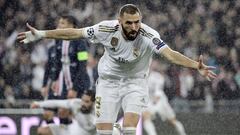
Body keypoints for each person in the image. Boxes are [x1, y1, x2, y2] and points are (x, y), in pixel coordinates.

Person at [18, 4, 217, 135]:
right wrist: (42, 34)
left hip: (135, 83)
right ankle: (113, 129)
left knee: (130, 130)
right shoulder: (105, 29)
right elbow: (74, 33)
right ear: (119, 21)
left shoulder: (148, 35)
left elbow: (169, 54)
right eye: (129, 22)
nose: (134, 26)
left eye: (137, 22)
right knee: (103, 133)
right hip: (108, 83)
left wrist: (194, 65)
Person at [142, 60, 187, 135]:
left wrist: (153, 106)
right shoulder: (139, 77)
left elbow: (158, 94)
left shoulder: (158, 77)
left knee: (172, 121)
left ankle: (183, 133)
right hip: (147, 100)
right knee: (146, 117)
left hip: (161, 101)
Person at [31, 90, 96, 135]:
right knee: (41, 131)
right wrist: (39, 104)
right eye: (82, 100)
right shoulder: (76, 103)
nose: (83, 104)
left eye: (87, 102)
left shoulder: (99, 113)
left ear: (93, 103)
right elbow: (57, 103)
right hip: (71, 131)